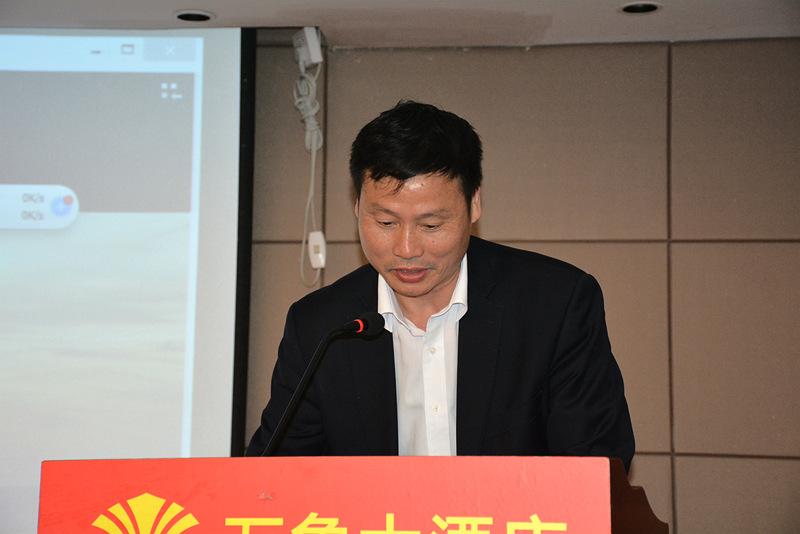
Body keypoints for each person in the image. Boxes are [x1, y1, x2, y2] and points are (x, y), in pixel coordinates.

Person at [246, 101, 635, 470]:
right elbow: (275, 479)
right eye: (385, 223)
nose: (407, 249)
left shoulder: (554, 305)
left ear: (474, 204)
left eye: (431, 225)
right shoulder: (320, 327)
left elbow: (596, 466)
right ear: (357, 207)